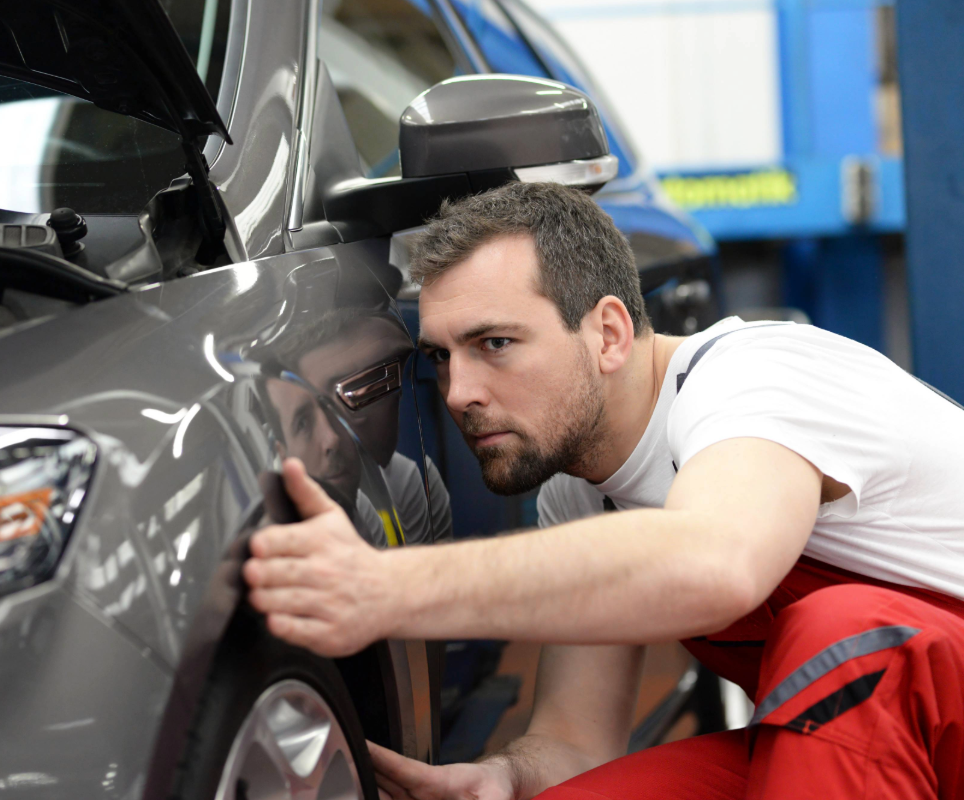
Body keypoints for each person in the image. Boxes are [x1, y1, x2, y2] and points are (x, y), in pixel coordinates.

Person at [242, 180, 964, 798]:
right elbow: (574, 741)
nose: (459, 392)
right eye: (442, 357)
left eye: (495, 344)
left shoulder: (754, 381)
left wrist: (381, 586)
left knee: (847, 637)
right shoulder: (580, 493)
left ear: (610, 334)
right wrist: (504, 774)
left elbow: (712, 564)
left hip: (913, 701)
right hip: (904, 747)